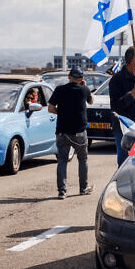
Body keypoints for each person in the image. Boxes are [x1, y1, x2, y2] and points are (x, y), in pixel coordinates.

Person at [48, 66, 94, 199]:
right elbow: (91, 101)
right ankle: (83, 188)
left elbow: (50, 108)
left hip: (62, 132)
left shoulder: (59, 89)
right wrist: (85, 86)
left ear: (69, 77)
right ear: (82, 78)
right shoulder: (84, 89)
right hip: (79, 132)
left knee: (62, 161)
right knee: (82, 159)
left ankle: (62, 191)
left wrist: (61, 113)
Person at [109, 46, 135, 166]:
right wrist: (132, 93)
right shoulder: (117, 79)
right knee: (125, 165)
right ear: (134, 60)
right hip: (124, 131)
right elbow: (115, 107)